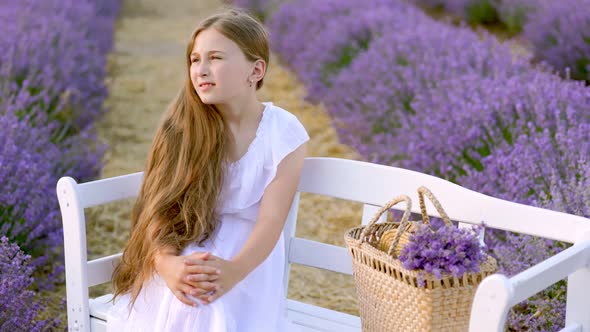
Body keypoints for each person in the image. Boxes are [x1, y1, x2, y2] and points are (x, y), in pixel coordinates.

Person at [106, 8, 309, 332]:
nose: (200, 70)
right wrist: (168, 265)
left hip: (248, 261)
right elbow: (160, 210)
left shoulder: (282, 131)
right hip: (188, 240)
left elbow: (271, 221)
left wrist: (232, 271)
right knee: (188, 296)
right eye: (194, 59)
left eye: (215, 58)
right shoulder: (183, 127)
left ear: (255, 70)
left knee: (212, 303)